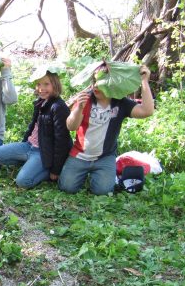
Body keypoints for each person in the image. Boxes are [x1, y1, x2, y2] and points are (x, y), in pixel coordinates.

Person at [58, 63, 154, 195]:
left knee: (103, 191)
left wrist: (144, 81)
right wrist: (79, 108)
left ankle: (104, 175)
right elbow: (71, 126)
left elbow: (147, 111)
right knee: (67, 187)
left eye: (102, 82)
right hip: (80, 155)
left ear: (112, 83)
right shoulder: (86, 98)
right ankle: (88, 174)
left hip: (105, 157)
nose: (96, 86)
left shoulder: (120, 103)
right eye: (95, 81)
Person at [0, 70, 72, 188]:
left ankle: (46, 171)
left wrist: (56, 170)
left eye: (46, 84)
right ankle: (29, 163)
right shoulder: (40, 102)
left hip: (44, 153)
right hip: (29, 146)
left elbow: (62, 141)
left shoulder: (59, 107)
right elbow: (32, 126)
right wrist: (22, 144)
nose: (41, 88)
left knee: (23, 181)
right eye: (38, 84)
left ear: (55, 84)